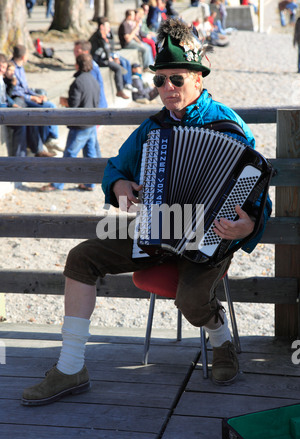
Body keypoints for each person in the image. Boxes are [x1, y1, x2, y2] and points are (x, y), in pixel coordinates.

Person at [22, 18, 272, 406]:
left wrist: (249, 226)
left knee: (191, 300)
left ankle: (222, 341)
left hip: (211, 240)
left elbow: (258, 196)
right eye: (159, 81)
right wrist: (119, 185)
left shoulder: (231, 128)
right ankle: (71, 368)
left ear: (198, 80)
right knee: (81, 257)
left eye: (177, 79)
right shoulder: (151, 129)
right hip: (157, 230)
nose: (167, 89)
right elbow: (116, 167)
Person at [40, 54, 100, 192]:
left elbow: (74, 105)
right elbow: (96, 103)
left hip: (80, 126)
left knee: (69, 155)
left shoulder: (78, 82)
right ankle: (90, 184)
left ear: (77, 65)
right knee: (90, 155)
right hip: (91, 124)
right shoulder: (94, 80)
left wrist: (64, 101)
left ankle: (57, 184)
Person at [12, 45, 63, 154]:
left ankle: (45, 142)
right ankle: (51, 139)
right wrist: (31, 98)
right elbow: (15, 92)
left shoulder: (20, 68)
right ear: (23, 56)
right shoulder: (13, 69)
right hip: (19, 100)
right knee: (49, 107)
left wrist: (36, 96)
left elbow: (25, 88)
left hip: (26, 96)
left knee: (45, 103)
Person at [0, 54, 55, 158]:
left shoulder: (4, 79)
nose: (2, 70)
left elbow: (5, 96)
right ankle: (19, 158)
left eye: (3, 67)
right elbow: (7, 96)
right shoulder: (3, 80)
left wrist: (12, 102)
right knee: (22, 120)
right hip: (4, 111)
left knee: (29, 116)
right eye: (2, 67)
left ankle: (37, 150)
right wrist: (12, 103)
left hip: (7, 107)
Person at [89, 17, 133, 99]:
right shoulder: (97, 36)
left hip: (105, 57)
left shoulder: (106, 35)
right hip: (98, 60)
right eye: (107, 27)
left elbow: (110, 49)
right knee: (118, 68)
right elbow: (101, 50)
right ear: (102, 27)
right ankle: (119, 90)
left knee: (123, 62)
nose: (109, 29)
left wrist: (114, 56)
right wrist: (109, 57)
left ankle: (127, 84)